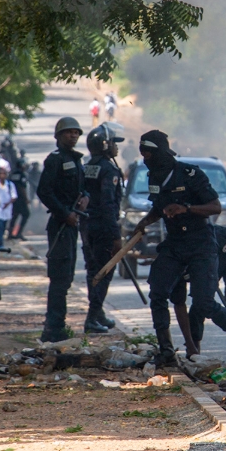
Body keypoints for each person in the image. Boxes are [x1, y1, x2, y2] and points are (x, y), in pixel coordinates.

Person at [129, 130, 226, 370]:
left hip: (200, 243)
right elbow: (159, 208)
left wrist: (185, 208)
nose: (146, 157)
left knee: (203, 303)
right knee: (158, 293)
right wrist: (146, 221)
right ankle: (167, 352)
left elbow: (215, 207)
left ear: (160, 152)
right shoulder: (154, 177)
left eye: (149, 153)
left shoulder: (190, 174)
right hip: (174, 244)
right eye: (143, 153)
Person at [36, 116, 90, 342]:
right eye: (69, 132)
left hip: (71, 224)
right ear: (58, 136)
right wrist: (64, 213)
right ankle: (53, 328)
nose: (74, 135)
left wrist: (86, 198)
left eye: (76, 132)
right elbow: (44, 191)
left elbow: (83, 189)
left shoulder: (77, 160)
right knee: (59, 278)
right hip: (60, 224)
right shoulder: (55, 160)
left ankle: (58, 324)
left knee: (66, 277)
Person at [83, 121, 125, 333]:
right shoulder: (109, 170)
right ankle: (92, 317)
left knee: (92, 271)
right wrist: (116, 236)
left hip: (86, 226)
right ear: (105, 145)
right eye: (114, 143)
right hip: (103, 228)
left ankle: (98, 314)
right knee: (105, 271)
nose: (117, 147)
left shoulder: (86, 166)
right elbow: (109, 204)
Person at [187, 224, 226, 355]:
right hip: (209, 267)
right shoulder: (184, 247)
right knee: (199, 303)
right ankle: (194, 350)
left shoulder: (219, 236)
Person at [8, 157, 31, 239]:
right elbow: (22, 188)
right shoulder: (22, 174)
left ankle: (10, 234)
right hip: (20, 199)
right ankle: (19, 233)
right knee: (26, 214)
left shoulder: (12, 174)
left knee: (14, 215)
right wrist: (26, 198)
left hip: (13, 198)